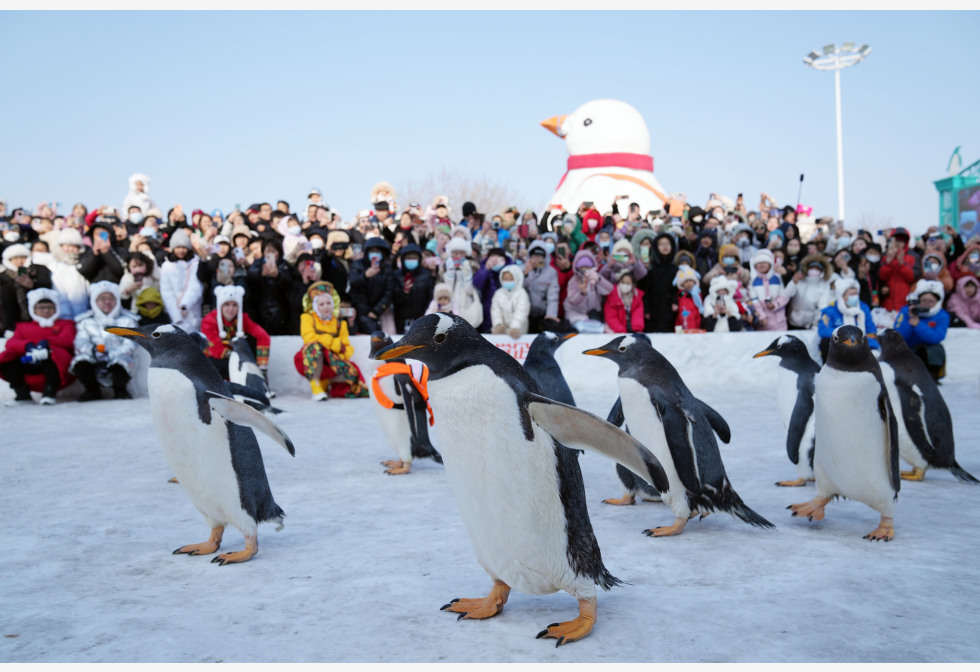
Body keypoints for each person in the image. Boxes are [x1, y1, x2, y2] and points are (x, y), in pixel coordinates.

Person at [0, 289, 76, 405]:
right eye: (41, 307)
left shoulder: (65, 324)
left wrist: (46, 344)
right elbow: (11, 343)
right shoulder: (23, 327)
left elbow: (68, 339)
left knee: (54, 356)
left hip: (54, 363)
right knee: (8, 359)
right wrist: (28, 346)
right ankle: (22, 395)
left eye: (50, 307)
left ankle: (49, 392)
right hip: (29, 361)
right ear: (33, 309)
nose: (46, 310)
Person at [294, 281, 367, 399]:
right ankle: (316, 384)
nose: (326, 306)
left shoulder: (340, 323)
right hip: (310, 360)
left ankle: (326, 382)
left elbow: (346, 346)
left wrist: (338, 357)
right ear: (315, 306)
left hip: (332, 362)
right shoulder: (307, 318)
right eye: (321, 304)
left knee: (352, 372)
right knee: (315, 347)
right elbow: (309, 337)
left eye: (328, 303)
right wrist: (333, 343)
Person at [69, 281, 140, 401]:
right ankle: (92, 391)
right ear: (95, 302)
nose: (107, 302)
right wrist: (93, 351)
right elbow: (80, 342)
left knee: (122, 363)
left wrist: (110, 354)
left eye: (111, 298)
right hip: (94, 357)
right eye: (102, 299)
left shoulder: (128, 321)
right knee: (80, 362)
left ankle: (120, 390)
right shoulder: (85, 322)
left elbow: (130, 344)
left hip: (118, 357)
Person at [200, 285, 270, 380]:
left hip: (236, 359)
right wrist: (239, 358)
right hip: (217, 360)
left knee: (250, 343)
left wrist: (262, 367)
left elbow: (263, 336)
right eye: (227, 304)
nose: (231, 309)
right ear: (220, 305)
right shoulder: (209, 320)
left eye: (234, 305)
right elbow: (214, 347)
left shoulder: (243, 318)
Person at [893, 280, 950, 382]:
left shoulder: (942, 315)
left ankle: (933, 376)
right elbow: (899, 335)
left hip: (929, 350)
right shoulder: (906, 311)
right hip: (910, 347)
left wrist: (918, 325)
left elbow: (937, 337)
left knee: (936, 349)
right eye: (924, 300)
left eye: (931, 301)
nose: (927, 304)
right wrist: (909, 318)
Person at [817, 278, 879, 361]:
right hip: (839, 346)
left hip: (860, 345)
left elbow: (871, 331)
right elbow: (823, 330)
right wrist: (846, 336)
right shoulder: (830, 310)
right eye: (851, 294)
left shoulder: (863, 308)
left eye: (856, 294)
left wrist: (872, 346)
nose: (855, 297)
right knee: (825, 342)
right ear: (842, 296)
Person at [1, 243, 54, 335]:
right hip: (12, 316)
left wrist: (33, 285)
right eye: (15, 258)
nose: (19, 261)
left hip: (37, 314)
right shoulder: (3, 277)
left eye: (22, 257)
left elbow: (48, 286)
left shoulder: (39, 270)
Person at [160, 228, 204, 333]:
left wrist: (185, 305)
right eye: (178, 247)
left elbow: (196, 285)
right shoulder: (167, 266)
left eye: (184, 247)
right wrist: (176, 314)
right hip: (175, 314)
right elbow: (166, 291)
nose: (181, 250)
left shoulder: (195, 262)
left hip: (193, 310)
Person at [348, 237, 395, 334]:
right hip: (361, 311)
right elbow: (353, 284)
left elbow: (389, 292)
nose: (375, 254)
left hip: (380, 311)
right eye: (372, 251)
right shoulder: (358, 265)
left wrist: (376, 311)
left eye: (378, 251)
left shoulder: (387, 268)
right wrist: (365, 276)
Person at [564, 249, 613, 333]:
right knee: (581, 328)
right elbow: (572, 301)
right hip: (576, 314)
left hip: (593, 313)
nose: (585, 270)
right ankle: (601, 328)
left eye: (587, 267)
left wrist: (599, 280)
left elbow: (609, 290)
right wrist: (582, 293)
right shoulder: (573, 281)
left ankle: (601, 328)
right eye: (582, 268)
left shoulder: (596, 277)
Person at [441, 237, 484, 328]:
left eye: (461, 253)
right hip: (450, 305)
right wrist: (450, 272)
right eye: (455, 253)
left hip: (466, 305)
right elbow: (446, 290)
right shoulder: (445, 266)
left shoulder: (473, 266)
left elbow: (470, 291)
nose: (459, 256)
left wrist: (467, 275)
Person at [392, 244, 434, 333]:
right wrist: (403, 292)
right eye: (408, 258)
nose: (411, 260)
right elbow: (392, 297)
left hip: (421, 319)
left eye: (414, 258)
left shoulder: (426, 275)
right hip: (400, 319)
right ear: (403, 259)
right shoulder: (396, 275)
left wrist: (425, 315)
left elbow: (430, 297)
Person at [523, 240, 562, 333]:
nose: (537, 259)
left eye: (540, 256)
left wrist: (551, 315)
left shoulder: (551, 272)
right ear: (530, 257)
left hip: (543, 313)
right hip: (524, 313)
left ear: (545, 258)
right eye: (534, 256)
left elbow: (553, 295)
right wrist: (525, 275)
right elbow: (517, 290)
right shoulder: (522, 269)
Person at [784, 254, 832, 330]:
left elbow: (822, 305)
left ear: (821, 271)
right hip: (792, 321)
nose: (814, 270)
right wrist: (794, 282)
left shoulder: (823, 285)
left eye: (817, 269)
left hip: (810, 323)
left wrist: (816, 323)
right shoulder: (799, 280)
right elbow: (786, 295)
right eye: (812, 268)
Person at [748, 248, 789, 331]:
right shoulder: (752, 281)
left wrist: (775, 304)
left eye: (764, 262)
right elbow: (754, 301)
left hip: (780, 324)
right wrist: (762, 316)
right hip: (762, 325)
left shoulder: (777, 278)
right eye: (759, 263)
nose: (761, 265)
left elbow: (785, 296)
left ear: (770, 264)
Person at [878, 228, 917, 314]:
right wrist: (888, 262)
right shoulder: (885, 255)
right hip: (887, 303)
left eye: (902, 240)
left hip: (905, 301)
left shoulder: (912, 256)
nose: (899, 243)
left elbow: (912, 278)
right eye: (897, 240)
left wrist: (902, 264)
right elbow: (882, 276)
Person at [490, 264, 530, 339]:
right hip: (501, 332)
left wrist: (515, 327)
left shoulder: (522, 293)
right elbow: (495, 310)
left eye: (511, 279)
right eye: (505, 279)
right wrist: (498, 324)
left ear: (517, 279)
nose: (508, 281)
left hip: (518, 331)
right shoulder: (498, 293)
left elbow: (521, 311)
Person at [604, 268, 644, 333]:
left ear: (633, 285)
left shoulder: (637, 297)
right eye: (623, 282)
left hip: (631, 328)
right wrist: (621, 331)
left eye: (628, 283)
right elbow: (611, 317)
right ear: (619, 282)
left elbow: (638, 316)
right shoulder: (612, 295)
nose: (625, 285)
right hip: (615, 330)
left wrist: (637, 330)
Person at [674, 266, 702, 331]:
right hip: (684, 323)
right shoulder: (682, 293)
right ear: (682, 284)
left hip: (696, 323)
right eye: (686, 281)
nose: (689, 283)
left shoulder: (697, 293)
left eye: (691, 281)